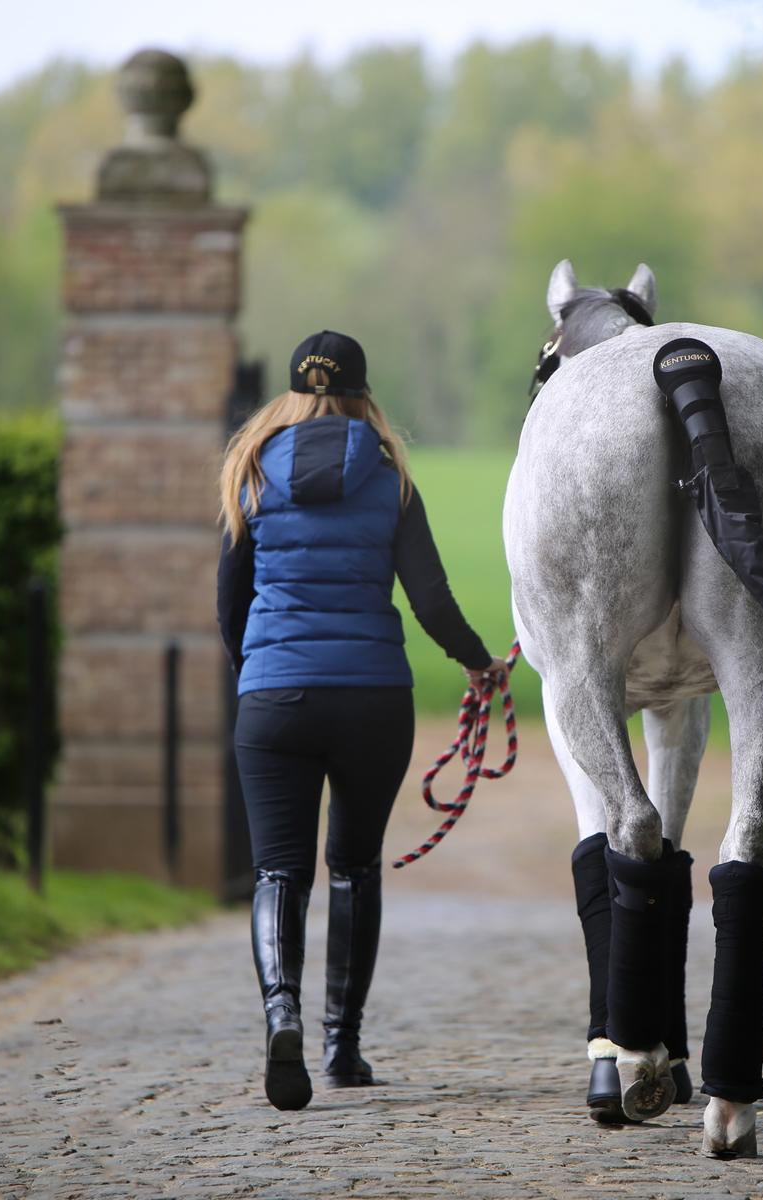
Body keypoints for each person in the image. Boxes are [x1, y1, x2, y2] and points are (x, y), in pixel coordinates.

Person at [217, 330, 505, 1111]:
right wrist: (480, 663)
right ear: (362, 393)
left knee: (279, 871)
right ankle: (342, 1047)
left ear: (294, 392)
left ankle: (284, 1016)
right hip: (374, 697)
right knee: (354, 864)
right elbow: (431, 599)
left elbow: (229, 601)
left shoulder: (251, 470)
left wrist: (261, 676)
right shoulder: (389, 478)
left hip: (275, 698)